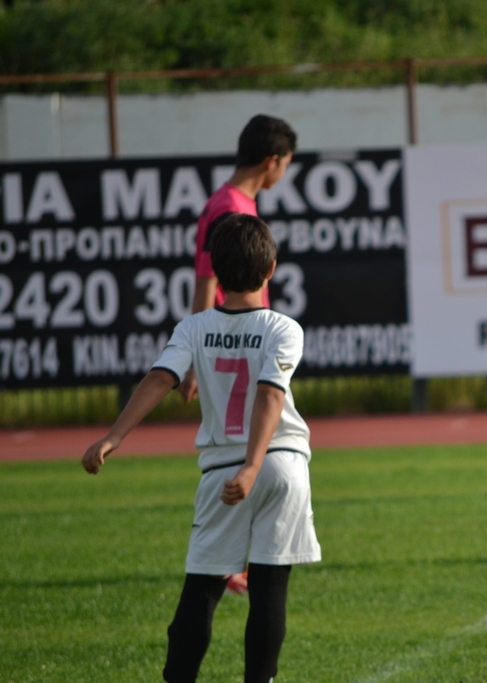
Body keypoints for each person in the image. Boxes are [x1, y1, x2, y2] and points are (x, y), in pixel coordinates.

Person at [82, 214, 321, 683]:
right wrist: (255, 465)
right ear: (271, 269)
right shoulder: (284, 327)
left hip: (224, 468)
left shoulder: (193, 327)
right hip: (282, 464)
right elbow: (271, 394)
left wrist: (114, 436)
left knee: (203, 588)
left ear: (215, 273)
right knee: (270, 589)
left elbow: (160, 379)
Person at [177, 114, 297, 596]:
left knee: (249, 450)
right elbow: (207, 280)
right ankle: (231, 561)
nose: (283, 173)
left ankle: (232, 560)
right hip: (243, 341)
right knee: (249, 451)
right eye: (285, 164)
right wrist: (195, 356)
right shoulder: (231, 207)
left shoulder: (231, 202)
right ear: (272, 160)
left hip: (245, 339)